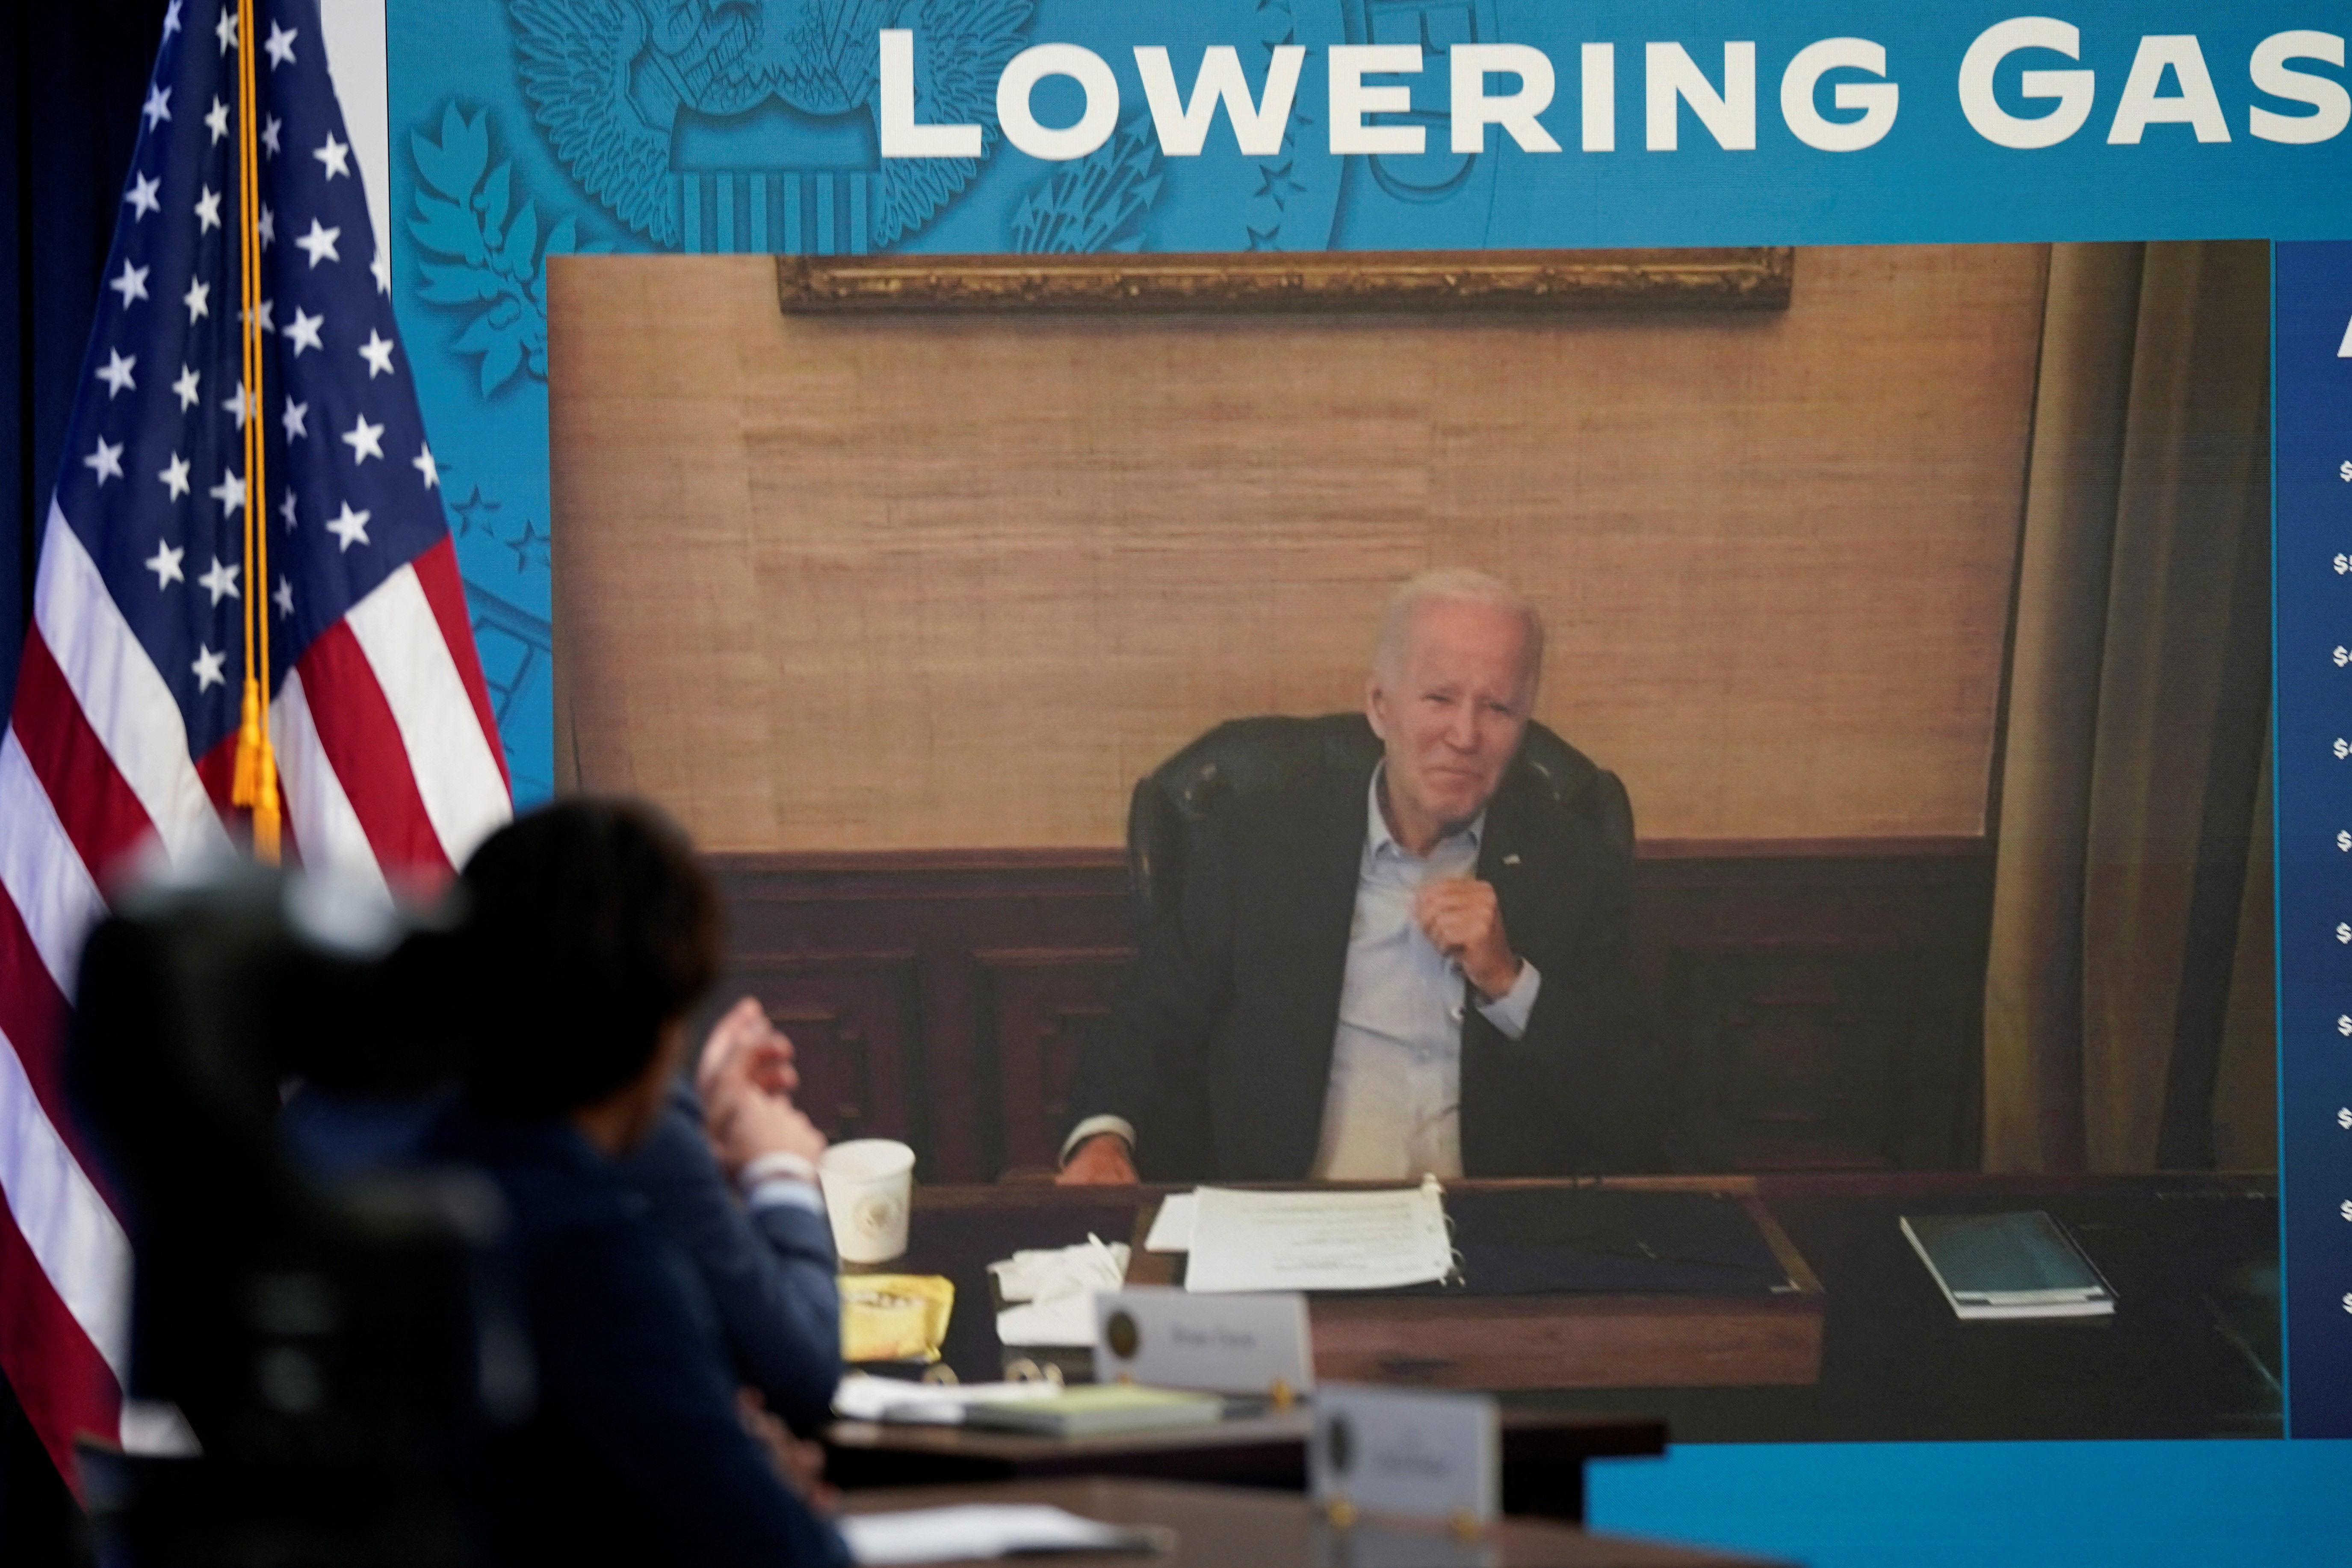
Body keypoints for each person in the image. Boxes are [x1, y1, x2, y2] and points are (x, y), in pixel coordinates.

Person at [1059, 569, 1660, 1183]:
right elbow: (1148, 1021)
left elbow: (1637, 1106)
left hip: (1485, 1235)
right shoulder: (1259, 843)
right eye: (1439, 699)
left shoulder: (1573, 864)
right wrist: (1103, 1138)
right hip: (1289, 1222)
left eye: (1498, 708)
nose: (1464, 736)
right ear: (1380, 706)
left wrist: (1508, 982)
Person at [428, 799, 849, 1568]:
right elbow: (788, 1551)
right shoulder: (598, 1255)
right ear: (663, 1029)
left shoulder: (404, 1176)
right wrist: (754, 1480)